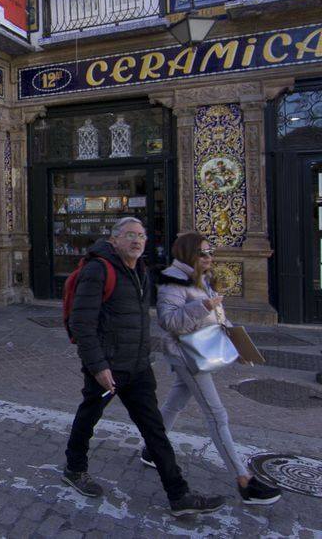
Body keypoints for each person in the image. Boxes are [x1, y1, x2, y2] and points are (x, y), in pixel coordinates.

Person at [63, 217, 226, 516]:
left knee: (155, 430)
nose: (137, 241)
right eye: (129, 235)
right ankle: (74, 468)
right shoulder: (98, 270)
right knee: (89, 416)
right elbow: (81, 323)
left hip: (137, 367)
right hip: (107, 368)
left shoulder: (140, 270)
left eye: (141, 235)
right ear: (114, 240)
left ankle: (179, 495)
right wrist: (98, 366)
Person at [143, 232, 282, 505]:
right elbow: (169, 322)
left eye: (211, 252)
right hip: (186, 356)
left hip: (200, 352)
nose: (209, 257)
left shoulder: (202, 279)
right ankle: (244, 481)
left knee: (174, 404)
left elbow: (219, 318)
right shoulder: (173, 284)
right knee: (217, 415)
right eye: (203, 253)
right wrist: (202, 305)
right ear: (188, 254)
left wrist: (238, 345)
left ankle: (151, 449)